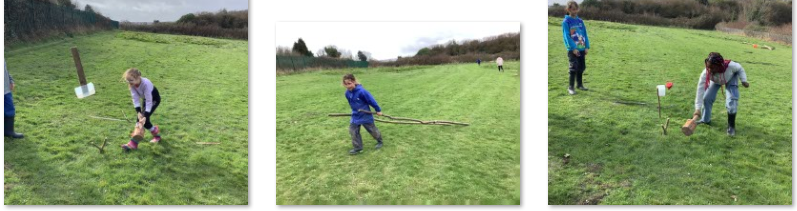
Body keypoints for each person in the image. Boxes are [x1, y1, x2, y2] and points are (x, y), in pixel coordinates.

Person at [693, 52, 749, 136]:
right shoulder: (707, 73)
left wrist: (744, 80)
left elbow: (740, 68)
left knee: (731, 101)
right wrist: (697, 108)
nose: (710, 70)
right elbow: (700, 90)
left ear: (719, 65)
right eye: (708, 67)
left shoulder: (731, 66)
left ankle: (731, 126)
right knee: (707, 98)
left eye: (712, 67)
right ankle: (705, 120)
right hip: (716, 80)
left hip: (730, 78)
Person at [121, 68, 163, 151]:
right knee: (141, 119)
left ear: (138, 77)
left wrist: (145, 115)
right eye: (128, 81)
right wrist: (138, 112)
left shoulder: (146, 84)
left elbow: (149, 101)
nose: (130, 83)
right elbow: (135, 99)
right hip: (146, 99)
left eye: (131, 80)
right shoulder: (132, 85)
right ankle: (156, 133)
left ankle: (133, 144)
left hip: (154, 99)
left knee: (142, 120)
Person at [342, 73, 384, 155]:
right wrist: (355, 111)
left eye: (349, 83)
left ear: (354, 81)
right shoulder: (347, 93)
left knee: (372, 130)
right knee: (353, 131)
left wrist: (378, 110)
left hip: (365, 115)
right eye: (346, 84)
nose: (348, 86)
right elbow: (351, 103)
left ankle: (379, 141)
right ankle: (358, 148)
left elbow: (371, 101)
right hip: (355, 115)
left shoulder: (362, 92)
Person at [562, 0, 591, 95]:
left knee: (582, 67)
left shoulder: (580, 21)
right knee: (573, 68)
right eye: (572, 9)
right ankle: (571, 87)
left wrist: (587, 46)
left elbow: (585, 34)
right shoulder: (566, 21)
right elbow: (566, 36)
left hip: (582, 49)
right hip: (573, 50)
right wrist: (573, 48)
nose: (574, 11)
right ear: (568, 9)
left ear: (578, 9)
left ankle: (579, 84)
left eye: (575, 9)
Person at [4, 60, 23, 139]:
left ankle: (9, 131)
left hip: (5, 89)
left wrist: (11, 80)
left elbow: (4, 69)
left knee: (9, 109)